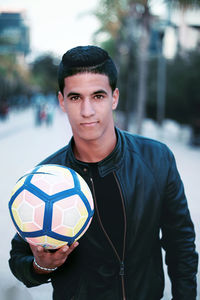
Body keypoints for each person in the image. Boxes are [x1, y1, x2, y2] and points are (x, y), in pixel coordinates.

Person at [9, 45, 198, 300]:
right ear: (62, 102)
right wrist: (42, 265)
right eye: (76, 97)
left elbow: (181, 244)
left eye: (98, 96)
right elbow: (19, 259)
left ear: (114, 97)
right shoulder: (45, 179)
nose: (87, 111)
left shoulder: (156, 158)